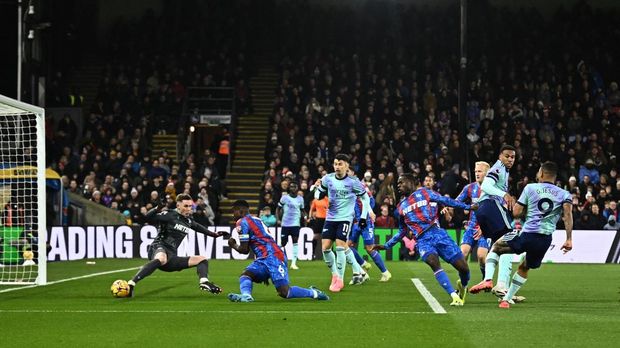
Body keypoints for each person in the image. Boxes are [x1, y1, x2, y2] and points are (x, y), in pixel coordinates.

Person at [469, 162, 573, 308]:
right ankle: (506, 300)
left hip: (528, 234)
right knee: (525, 267)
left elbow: (516, 212)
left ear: (542, 173)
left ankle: (487, 279)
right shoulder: (564, 194)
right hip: (545, 239)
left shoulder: (530, 188)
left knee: (497, 246)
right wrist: (569, 239)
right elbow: (567, 215)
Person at [374, 173, 476, 306]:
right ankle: (454, 295)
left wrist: (468, 207)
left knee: (464, 269)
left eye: (401, 182)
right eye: (398, 184)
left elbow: (445, 201)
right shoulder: (400, 208)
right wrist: (387, 246)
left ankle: (462, 285)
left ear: (411, 182)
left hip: (438, 234)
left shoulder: (424, 193)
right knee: (434, 263)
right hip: (422, 240)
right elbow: (402, 231)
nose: (399, 186)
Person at [227, 200, 329, 302]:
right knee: (246, 274)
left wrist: (233, 244)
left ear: (240, 211)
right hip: (265, 257)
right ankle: (246, 296)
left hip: (274, 257)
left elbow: (244, 250)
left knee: (285, 292)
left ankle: (314, 293)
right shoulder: (256, 219)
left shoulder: (241, 222)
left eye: (234, 212)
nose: (233, 215)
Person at [126, 193, 226, 297]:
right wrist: (158, 207)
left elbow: (198, 227)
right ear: (178, 205)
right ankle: (131, 284)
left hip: (171, 257)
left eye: (190, 206)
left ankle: (204, 282)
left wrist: (214, 235)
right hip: (158, 248)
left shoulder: (188, 220)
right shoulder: (169, 214)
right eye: (186, 206)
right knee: (162, 258)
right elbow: (147, 217)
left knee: (202, 259)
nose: (189, 209)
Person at [314, 153, 373, 292]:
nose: (337, 167)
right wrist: (318, 191)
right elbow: (318, 195)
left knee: (341, 245)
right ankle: (335, 275)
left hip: (345, 218)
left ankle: (340, 279)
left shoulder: (353, 182)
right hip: (330, 218)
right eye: (335, 164)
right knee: (325, 247)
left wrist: (363, 218)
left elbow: (366, 200)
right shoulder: (327, 178)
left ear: (347, 166)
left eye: (340, 164)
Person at [474, 144, 517, 298]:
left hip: (483, 211)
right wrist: (504, 194)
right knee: (509, 241)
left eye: (513, 157)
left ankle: (487, 280)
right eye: (507, 156)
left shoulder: (504, 170)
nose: (510, 159)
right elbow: (486, 185)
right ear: (500, 156)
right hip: (491, 205)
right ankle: (502, 286)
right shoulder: (498, 168)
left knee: (497, 246)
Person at [347, 170, 391, 283]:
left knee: (369, 248)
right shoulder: (344, 187)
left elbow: (369, 200)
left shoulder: (359, 185)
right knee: (347, 246)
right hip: (356, 222)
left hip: (365, 221)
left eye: (348, 171)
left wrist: (369, 212)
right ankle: (363, 266)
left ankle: (385, 272)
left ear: (352, 173)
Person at [452, 161, 491, 279]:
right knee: (462, 255)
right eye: (475, 171)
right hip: (471, 227)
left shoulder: (493, 189)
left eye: (480, 171)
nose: (477, 174)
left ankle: (485, 278)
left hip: (485, 229)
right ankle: (463, 283)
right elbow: (456, 202)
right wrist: (448, 207)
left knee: (481, 257)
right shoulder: (469, 188)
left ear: (487, 173)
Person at [276, 181, 306, 269]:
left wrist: (305, 217)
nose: (293, 188)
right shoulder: (284, 198)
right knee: (283, 243)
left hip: (295, 224)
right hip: (285, 224)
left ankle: (293, 263)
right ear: (289, 188)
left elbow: (302, 210)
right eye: (291, 187)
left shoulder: (300, 199)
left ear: (297, 188)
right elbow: (278, 208)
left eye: (294, 187)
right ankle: (278, 259)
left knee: (295, 242)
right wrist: (278, 219)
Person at [308, 195, 329, 260]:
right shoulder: (316, 200)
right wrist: (310, 217)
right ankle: (312, 253)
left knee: (328, 237)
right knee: (316, 236)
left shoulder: (328, 199)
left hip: (327, 219)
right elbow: (311, 209)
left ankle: (327, 254)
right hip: (318, 219)